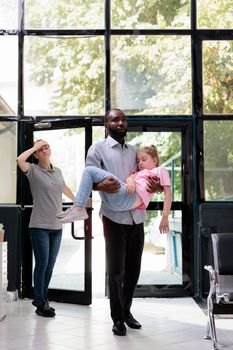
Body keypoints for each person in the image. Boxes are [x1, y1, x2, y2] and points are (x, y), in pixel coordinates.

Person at [71, 108, 162, 336]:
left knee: (133, 270)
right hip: (113, 216)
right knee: (116, 271)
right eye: (115, 119)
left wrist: (157, 186)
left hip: (137, 217)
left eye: (123, 119)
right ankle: (118, 318)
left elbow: (149, 176)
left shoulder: (134, 151)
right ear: (107, 124)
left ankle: (127, 310)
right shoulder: (97, 149)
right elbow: (89, 178)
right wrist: (102, 186)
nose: (120, 122)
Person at [16, 139, 75, 318]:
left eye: (46, 147)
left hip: (57, 225)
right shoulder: (32, 170)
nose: (44, 150)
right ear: (35, 154)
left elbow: (64, 187)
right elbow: (19, 160)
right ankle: (40, 302)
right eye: (40, 149)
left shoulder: (57, 171)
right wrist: (36, 145)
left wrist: (77, 202)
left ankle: (43, 298)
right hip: (39, 225)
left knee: (49, 265)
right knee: (41, 264)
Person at [59, 145, 172, 234]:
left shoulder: (160, 170)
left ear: (155, 160)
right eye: (138, 161)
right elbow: (130, 178)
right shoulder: (139, 173)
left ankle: (78, 207)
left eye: (143, 159)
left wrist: (165, 217)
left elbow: (168, 195)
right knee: (91, 173)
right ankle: (77, 207)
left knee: (89, 171)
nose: (140, 163)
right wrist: (132, 181)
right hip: (119, 204)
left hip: (130, 199)